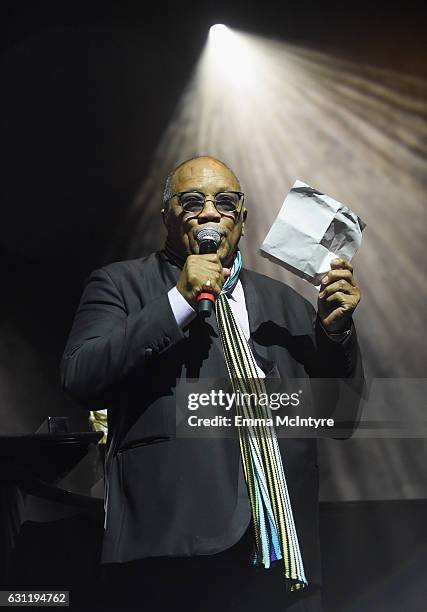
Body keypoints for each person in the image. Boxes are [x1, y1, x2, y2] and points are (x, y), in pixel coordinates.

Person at [60, 156, 364, 611]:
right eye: (191, 201)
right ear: (167, 215)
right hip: (172, 548)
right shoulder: (121, 285)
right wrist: (179, 300)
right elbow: (81, 376)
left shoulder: (285, 303)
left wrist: (335, 333)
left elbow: (340, 417)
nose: (208, 212)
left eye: (224, 201)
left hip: (283, 556)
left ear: (241, 218)